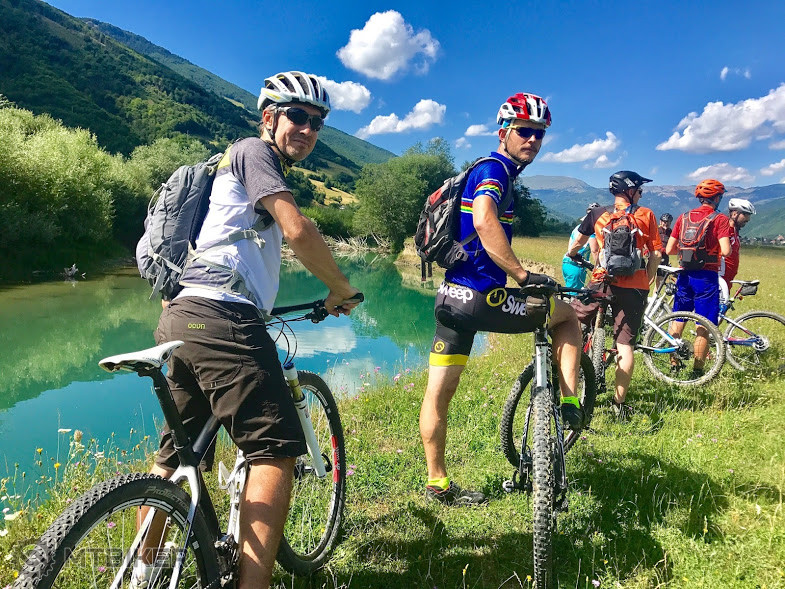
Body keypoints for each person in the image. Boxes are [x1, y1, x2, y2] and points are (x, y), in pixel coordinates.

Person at [132, 71, 361, 589]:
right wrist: (340, 288)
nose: (308, 129)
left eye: (317, 123)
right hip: (222, 315)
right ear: (269, 117)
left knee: (177, 457)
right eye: (297, 116)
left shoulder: (229, 168)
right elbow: (297, 229)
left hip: (184, 313)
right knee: (274, 451)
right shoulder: (254, 153)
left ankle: (143, 570)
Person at [420, 93, 583, 506]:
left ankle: (437, 483)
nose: (532, 140)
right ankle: (569, 402)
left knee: (438, 395)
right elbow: (483, 218)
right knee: (567, 318)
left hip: (450, 299)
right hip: (483, 298)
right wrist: (522, 275)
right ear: (503, 133)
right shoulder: (496, 170)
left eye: (539, 134)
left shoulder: (479, 169)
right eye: (524, 131)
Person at [567, 171, 662, 420]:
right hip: (635, 286)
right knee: (625, 345)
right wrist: (648, 278)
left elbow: (577, 244)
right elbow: (656, 254)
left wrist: (573, 254)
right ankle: (618, 404)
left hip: (602, 280)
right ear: (630, 190)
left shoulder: (598, 214)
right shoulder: (646, 215)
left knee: (571, 325)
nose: (641, 194)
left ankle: (566, 391)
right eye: (640, 190)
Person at [665, 179, 731, 376]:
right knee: (703, 324)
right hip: (706, 277)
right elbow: (726, 250)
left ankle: (674, 364)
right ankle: (697, 371)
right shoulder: (720, 219)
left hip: (684, 275)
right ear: (717, 198)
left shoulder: (683, 217)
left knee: (678, 318)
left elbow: (669, 249)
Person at [719, 198, 756, 303]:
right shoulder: (725, 230)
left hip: (728, 278)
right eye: (746, 214)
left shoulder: (735, 231)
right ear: (735, 213)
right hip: (720, 276)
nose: (748, 219)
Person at [562, 203, 601, 290]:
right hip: (576, 264)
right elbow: (594, 250)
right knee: (575, 294)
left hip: (567, 262)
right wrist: (599, 268)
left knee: (570, 291)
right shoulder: (591, 230)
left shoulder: (578, 227)